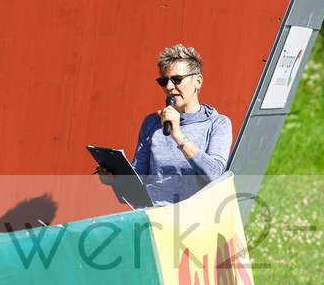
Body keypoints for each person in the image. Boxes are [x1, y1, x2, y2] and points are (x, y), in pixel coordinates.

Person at [97, 44, 231, 205]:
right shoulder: (152, 123)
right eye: (163, 81)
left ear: (198, 81)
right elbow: (138, 176)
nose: (169, 87)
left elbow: (215, 173)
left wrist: (179, 136)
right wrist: (116, 179)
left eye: (177, 80)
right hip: (152, 214)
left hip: (193, 217)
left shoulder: (217, 123)